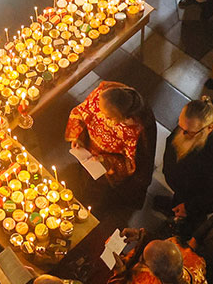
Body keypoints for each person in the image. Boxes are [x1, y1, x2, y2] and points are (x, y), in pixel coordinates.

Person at [63, 81, 156, 211]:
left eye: (106, 116)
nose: (101, 115)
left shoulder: (137, 127)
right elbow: (81, 111)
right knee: (83, 177)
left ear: (119, 117)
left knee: (98, 192)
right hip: (88, 150)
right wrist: (78, 137)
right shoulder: (101, 94)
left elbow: (131, 163)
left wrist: (105, 161)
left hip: (108, 165)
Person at [158, 98, 213, 236]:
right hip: (184, 186)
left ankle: (182, 230)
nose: (182, 134)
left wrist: (189, 207)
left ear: (209, 128)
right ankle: (174, 207)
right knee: (178, 202)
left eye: (188, 132)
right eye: (180, 126)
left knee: (190, 220)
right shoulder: (202, 112)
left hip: (198, 197)